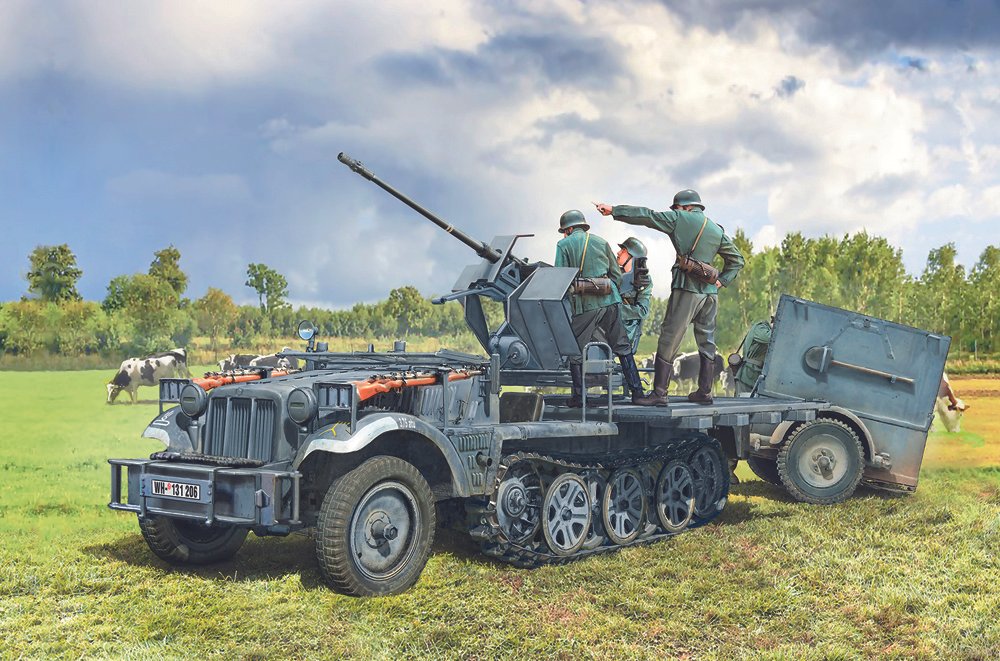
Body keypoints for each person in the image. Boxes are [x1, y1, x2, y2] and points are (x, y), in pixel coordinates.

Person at [595, 189, 744, 406]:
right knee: (707, 340)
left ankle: (659, 393)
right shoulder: (714, 228)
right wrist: (722, 280)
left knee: (669, 337)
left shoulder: (678, 218)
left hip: (687, 289)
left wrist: (614, 210)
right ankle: (705, 391)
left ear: (684, 207)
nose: (675, 211)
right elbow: (737, 260)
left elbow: (648, 216)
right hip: (710, 294)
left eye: (677, 208)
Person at [554, 209, 644, 406]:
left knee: (575, 350)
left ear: (569, 229)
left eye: (564, 231)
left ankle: (579, 397)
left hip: (585, 304)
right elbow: (616, 275)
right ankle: (638, 393)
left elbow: (560, 278)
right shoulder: (601, 242)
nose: (564, 235)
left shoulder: (563, 245)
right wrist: (607, 290)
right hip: (610, 299)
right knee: (622, 346)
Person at [617, 237, 653, 357]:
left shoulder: (644, 280)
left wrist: (615, 310)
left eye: (623, 250)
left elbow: (643, 311)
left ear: (632, 256)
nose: (618, 253)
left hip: (626, 330)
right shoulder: (615, 274)